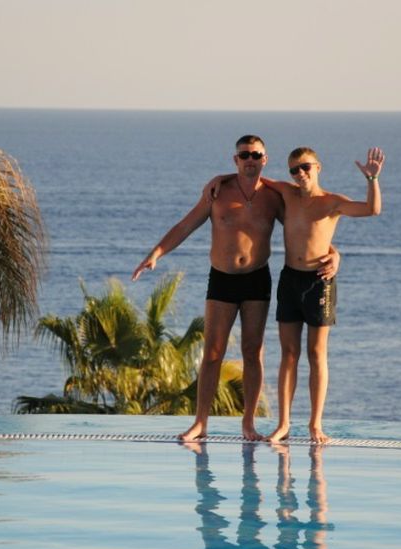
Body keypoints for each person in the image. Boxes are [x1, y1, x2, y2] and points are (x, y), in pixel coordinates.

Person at [132, 135, 338, 442]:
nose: (250, 159)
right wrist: (156, 254)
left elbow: (306, 229)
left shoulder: (273, 197)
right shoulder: (217, 192)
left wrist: (335, 254)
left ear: (264, 159)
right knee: (213, 353)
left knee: (252, 352)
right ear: (236, 159)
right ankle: (200, 422)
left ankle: (248, 424)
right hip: (223, 279)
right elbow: (186, 225)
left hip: (257, 279)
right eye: (244, 155)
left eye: (256, 154)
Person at [260, 146, 385, 444]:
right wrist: (219, 180)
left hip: (319, 281)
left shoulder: (332, 202)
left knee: (316, 354)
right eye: (294, 169)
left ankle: (315, 424)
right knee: (289, 354)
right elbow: (254, 176)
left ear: (318, 167)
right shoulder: (287, 193)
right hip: (290, 279)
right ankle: (283, 424)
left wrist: (372, 180)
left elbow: (372, 209)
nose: (300, 173)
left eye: (305, 167)